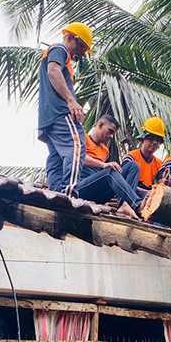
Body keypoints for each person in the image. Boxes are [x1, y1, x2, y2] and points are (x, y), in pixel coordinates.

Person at [38, 22, 93, 198]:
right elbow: (53, 72)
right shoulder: (60, 49)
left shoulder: (59, 55)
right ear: (71, 38)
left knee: (56, 157)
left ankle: (56, 195)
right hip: (60, 113)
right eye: (82, 47)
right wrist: (71, 101)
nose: (83, 53)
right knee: (77, 146)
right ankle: (69, 194)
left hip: (48, 116)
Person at [76, 115, 141, 218]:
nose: (111, 136)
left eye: (113, 134)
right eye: (110, 131)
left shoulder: (105, 150)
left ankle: (125, 204)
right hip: (80, 189)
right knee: (110, 171)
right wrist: (103, 165)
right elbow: (79, 158)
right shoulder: (82, 138)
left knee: (133, 166)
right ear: (100, 125)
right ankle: (137, 205)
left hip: (97, 194)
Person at [122, 117, 165, 199]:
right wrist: (149, 192)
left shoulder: (159, 163)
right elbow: (124, 184)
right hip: (129, 195)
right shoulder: (131, 157)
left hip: (146, 194)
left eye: (158, 140)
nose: (155, 142)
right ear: (142, 139)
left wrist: (165, 182)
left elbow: (161, 184)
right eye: (151, 138)